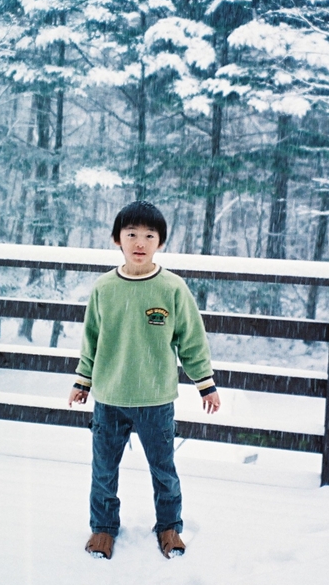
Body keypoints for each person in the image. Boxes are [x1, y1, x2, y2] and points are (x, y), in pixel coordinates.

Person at [68, 200, 221, 560]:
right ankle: (103, 529)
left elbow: (192, 338)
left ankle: (169, 526)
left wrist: (205, 382)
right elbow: (91, 338)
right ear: (116, 239)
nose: (140, 242)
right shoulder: (105, 288)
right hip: (110, 396)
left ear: (160, 242)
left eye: (149, 235)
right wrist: (83, 381)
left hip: (155, 398)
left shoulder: (172, 287)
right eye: (131, 234)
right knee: (103, 470)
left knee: (164, 470)